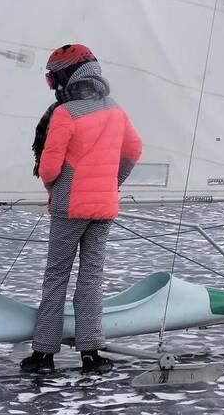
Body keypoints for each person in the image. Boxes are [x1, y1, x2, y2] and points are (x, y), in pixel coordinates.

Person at [20, 44, 142, 375]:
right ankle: (91, 353)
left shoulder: (65, 113)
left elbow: (48, 170)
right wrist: (112, 181)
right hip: (103, 207)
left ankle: (44, 354)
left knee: (57, 276)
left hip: (68, 207)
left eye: (52, 79)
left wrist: (55, 187)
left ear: (66, 77)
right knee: (91, 277)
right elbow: (134, 149)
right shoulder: (115, 110)